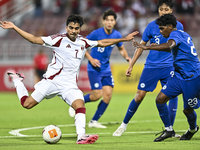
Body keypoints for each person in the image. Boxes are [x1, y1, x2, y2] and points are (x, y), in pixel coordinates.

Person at [0, 14, 138, 144]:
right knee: (27, 104)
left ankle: (81, 136)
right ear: (66, 27)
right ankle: (17, 80)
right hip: (51, 82)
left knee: (79, 105)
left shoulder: (83, 42)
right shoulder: (58, 39)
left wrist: (123, 39)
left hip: (69, 86)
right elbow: (34, 39)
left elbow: (102, 42)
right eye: (71, 28)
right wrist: (14, 27)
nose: (73, 30)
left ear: (80, 29)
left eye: (76, 28)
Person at [113, 0, 183, 137]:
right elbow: (141, 46)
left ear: (171, 11)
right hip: (152, 66)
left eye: (167, 9)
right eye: (161, 9)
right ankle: (123, 125)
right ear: (158, 10)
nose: (164, 11)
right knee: (139, 96)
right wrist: (131, 64)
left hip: (169, 66)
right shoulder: (151, 26)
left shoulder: (178, 26)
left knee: (172, 96)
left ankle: (170, 130)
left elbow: (179, 46)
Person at [133, 13, 199, 142]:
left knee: (187, 110)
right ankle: (169, 129)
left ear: (170, 26)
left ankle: (192, 129)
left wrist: (147, 47)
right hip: (179, 75)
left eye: (162, 28)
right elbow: (172, 49)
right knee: (160, 99)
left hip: (192, 77)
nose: (160, 31)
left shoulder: (175, 34)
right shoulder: (183, 34)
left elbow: (169, 45)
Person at [69, 9, 132, 128]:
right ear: (103, 21)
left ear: (115, 22)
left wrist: (127, 57)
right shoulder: (96, 33)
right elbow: (83, 46)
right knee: (97, 95)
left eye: (112, 20)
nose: (109, 22)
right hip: (94, 68)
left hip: (106, 69)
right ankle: (75, 102)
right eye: (107, 20)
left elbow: (121, 48)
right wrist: (91, 59)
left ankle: (93, 121)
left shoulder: (117, 35)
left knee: (108, 95)